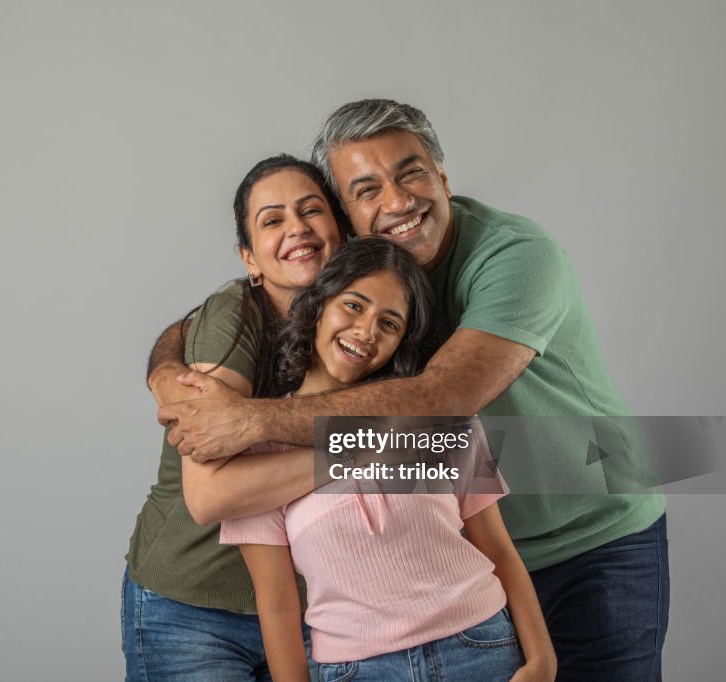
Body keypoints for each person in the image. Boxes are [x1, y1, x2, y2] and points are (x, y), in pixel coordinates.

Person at [152, 100, 668, 681]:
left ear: (443, 177)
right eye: (367, 189)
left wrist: (254, 421)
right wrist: (166, 361)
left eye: (412, 173)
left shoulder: (517, 255)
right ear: (347, 219)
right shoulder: (372, 283)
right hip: (474, 569)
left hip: (592, 535)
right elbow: (215, 317)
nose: (397, 202)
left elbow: (444, 401)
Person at [220, 238, 555, 682]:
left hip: (480, 649)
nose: (366, 331)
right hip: (356, 671)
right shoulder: (260, 445)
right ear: (319, 303)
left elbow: (498, 549)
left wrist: (542, 661)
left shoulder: (437, 421)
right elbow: (278, 603)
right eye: (354, 305)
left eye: (390, 323)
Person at [123, 154, 349, 681]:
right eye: (272, 220)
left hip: (317, 608)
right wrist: (364, 449)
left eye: (311, 210)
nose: (296, 227)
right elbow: (209, 497)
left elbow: (456, 449)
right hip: (193, 606)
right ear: (250, 259)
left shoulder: (367, 315)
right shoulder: (232, 316)